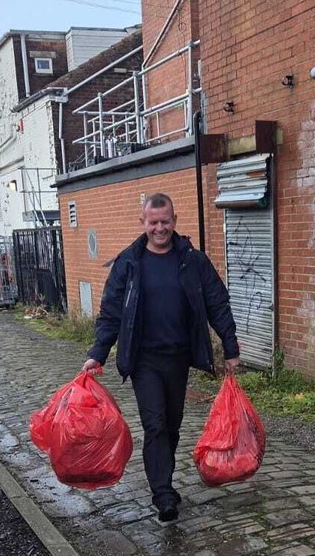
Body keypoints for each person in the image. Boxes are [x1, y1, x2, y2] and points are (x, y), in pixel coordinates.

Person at [81, 193, 240, 523]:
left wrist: (230, 347)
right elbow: (111, 312)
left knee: (172, 425)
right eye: (153, 222)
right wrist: (98, 353)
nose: (160, 228)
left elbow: (217, 302)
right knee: (155, 424)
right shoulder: (129, 262)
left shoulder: (192, 260)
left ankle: (164, 479)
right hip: (144, 360)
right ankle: (163, 493)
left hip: (178, 358)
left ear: (174, 221)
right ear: (143, 223)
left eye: (165, 221)